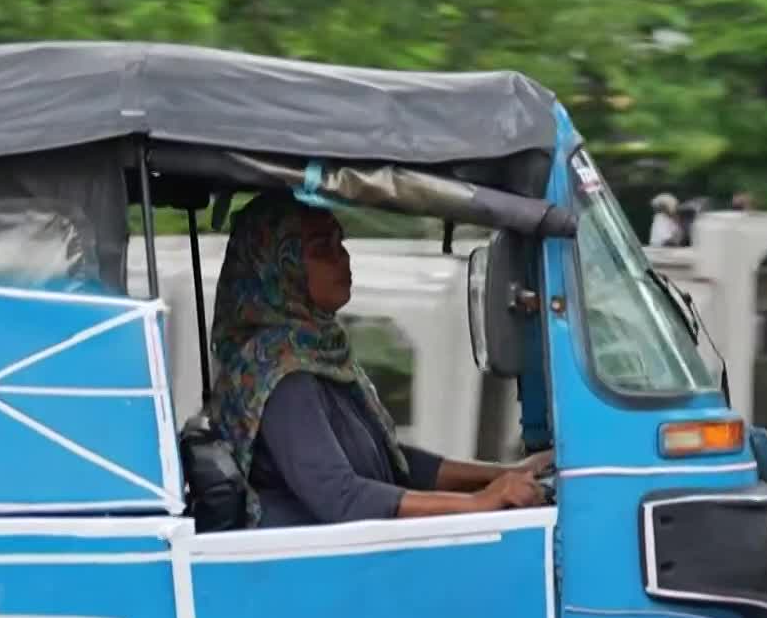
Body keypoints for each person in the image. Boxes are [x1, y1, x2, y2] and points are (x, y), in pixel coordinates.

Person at [205, 191, 548, 528]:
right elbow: (342, 498)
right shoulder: (280, 375)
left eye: (340, 241)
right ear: (280, 269)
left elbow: (392, 463)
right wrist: (479, 503)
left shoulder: (317, 352)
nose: (343, 257)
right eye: (322, 248)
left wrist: (508, 474)